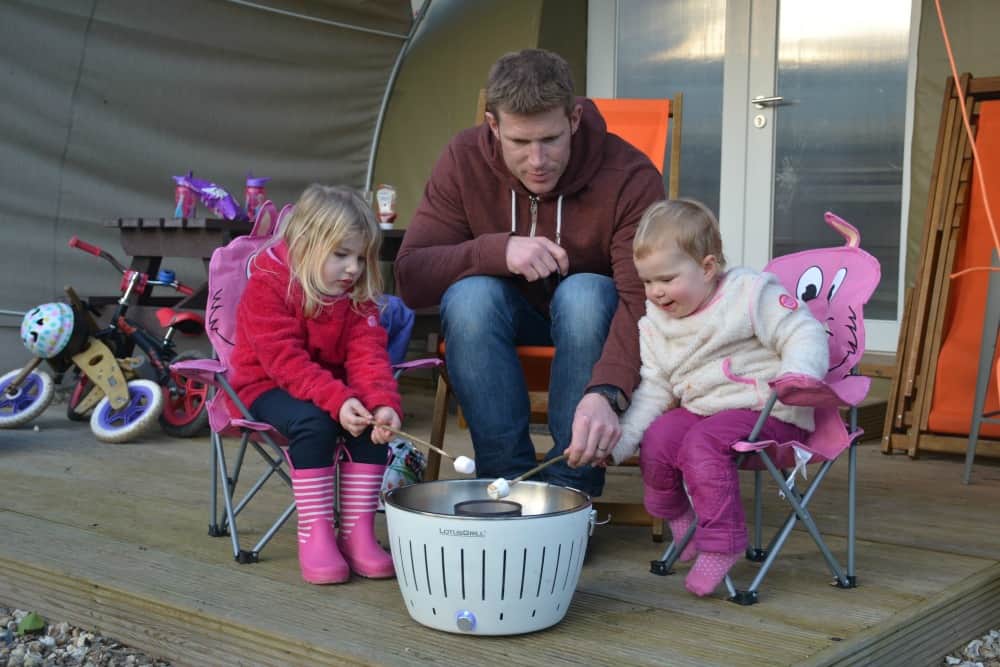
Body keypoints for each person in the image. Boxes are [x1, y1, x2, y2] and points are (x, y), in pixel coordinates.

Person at [395, 48, 665, 497]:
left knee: (585, 293)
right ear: (493, 125)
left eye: (551, 139)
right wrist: (497, 252)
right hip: (501, 330)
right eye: (520, 143)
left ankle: (572, 496)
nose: (537, 159)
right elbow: (411, 276)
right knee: (471, 296)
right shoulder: (463, 159)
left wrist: (609, 391)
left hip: (594, 338)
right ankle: (508, 487)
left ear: (575, 120)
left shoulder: (630, 174)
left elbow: (644, 299)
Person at [594, 199, 828, 596]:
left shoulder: (749, 294)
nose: (656, 292)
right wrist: (621, 442)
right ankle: (680, 516)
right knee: (661, 438)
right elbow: (654, 388)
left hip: (766, 410)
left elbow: (801, 331)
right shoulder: (655, 325)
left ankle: (724, 543)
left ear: (707, 267)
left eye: (667, 279)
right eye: (648, 282)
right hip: (705, 413)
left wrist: (800, 374)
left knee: (701, 442)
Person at [230, 184, 402, 585]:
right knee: (317, 422)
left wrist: (381, 403)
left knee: (370, 428)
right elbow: (284, 362)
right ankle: (316, 532)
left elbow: (368, 356)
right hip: (263, 385)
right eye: (341, 255)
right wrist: (338, 400)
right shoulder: (269, 285)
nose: (354, 269)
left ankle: (357, 533)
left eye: (361, 257)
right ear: (305, 245)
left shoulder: (357, 297)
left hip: (330, 390)